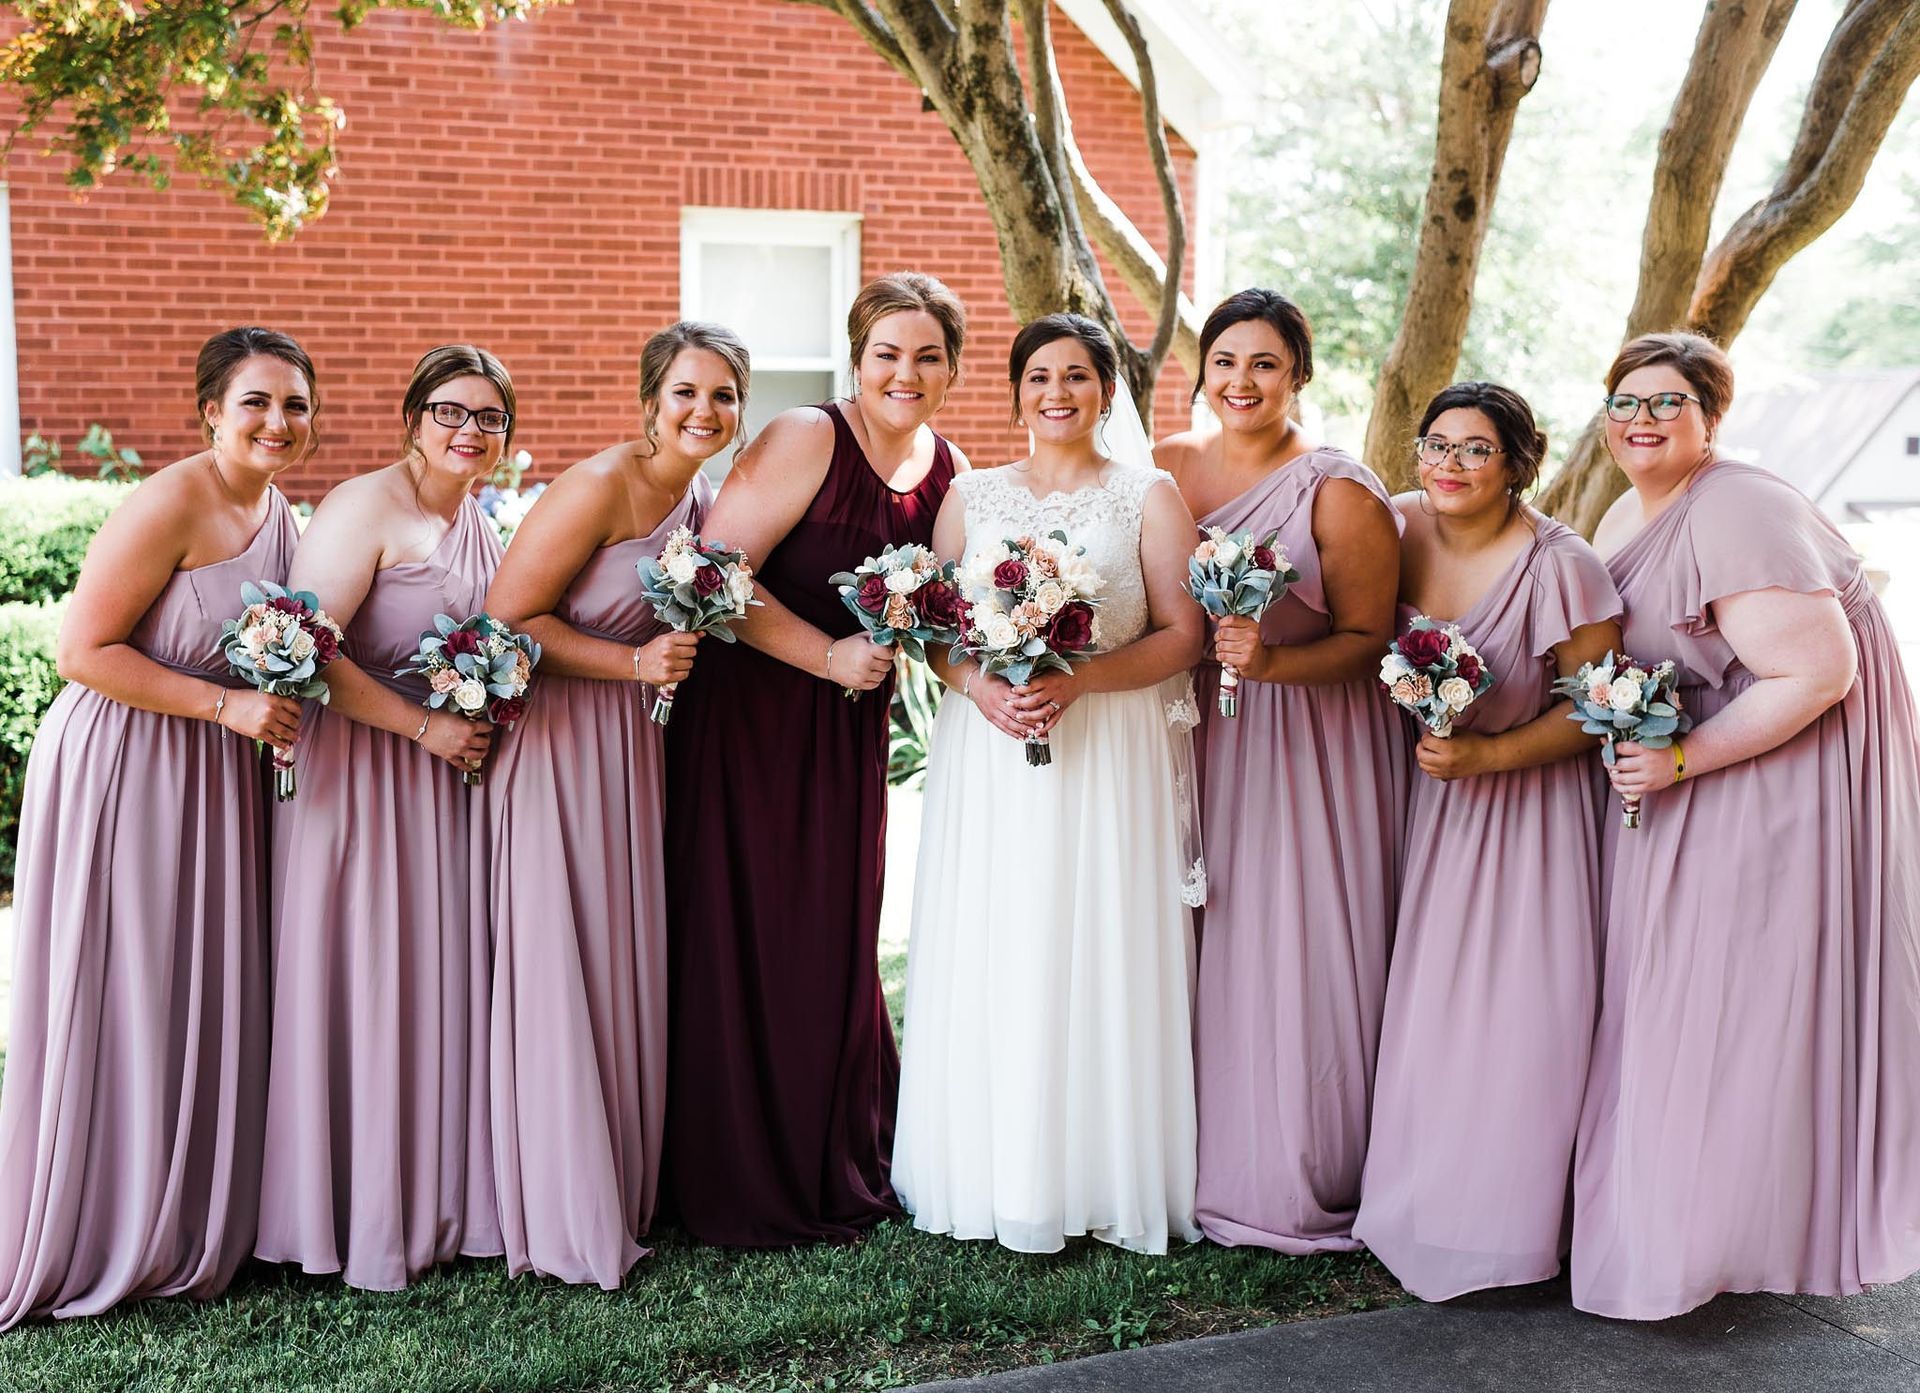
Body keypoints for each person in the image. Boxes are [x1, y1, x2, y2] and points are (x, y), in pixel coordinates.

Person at [1573, 330, 1920, 1320]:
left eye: (1667, 402)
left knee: (1725, 1005)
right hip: (1690, 779)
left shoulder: (1739, 508)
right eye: (1625, 401)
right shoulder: (1628, 507)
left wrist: (1679, 758)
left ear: (1711, 416)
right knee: (1678, 999)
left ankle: (1713, 1237)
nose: (1641, 419)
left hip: (1767, 787)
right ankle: (1678, 1220)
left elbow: (1817, 671)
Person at [0, 327, 313, 1326]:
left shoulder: (278, 510)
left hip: (211, 770)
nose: (278, 421)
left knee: (191, 980)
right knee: (125, 984)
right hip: (127, 762)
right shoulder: (170, 502)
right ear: (211, 410)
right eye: (256, 401)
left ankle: (183, 1212)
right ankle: (99, 1221)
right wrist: (228, 707)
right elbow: (82, 650)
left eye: (296, 404)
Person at [662, 272, 967, 1245]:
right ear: (856, 358)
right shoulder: (807, 437)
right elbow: (710, 576)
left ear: (952, 369)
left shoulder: (949, 469)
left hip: (845, 730)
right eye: (887, 353)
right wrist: (828, 654)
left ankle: (828, 1142)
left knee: (832, 929)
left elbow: (937, 618)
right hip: (748, 718)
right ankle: (736, 1160)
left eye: (927, 356)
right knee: (751, 924)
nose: (905, 373)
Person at [893, 312, 1205, 1254]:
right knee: (1001, 931)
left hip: (1107, 747)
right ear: (1017, 391)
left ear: (1108, 392)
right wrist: (983, 687)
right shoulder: (971, 495)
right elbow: (935, 632)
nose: (1056, 392)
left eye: (1076, 376)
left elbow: (1183, 635)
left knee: (1098, 933)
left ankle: (1099, 1172)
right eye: (1039, 376)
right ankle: (988, 1169)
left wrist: (1080, 680)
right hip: (991, 748)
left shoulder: (1149, 495)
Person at [481, 321, 745, 1285]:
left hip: (632, 753)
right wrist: (633, 663)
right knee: (563, 958)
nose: (704, 411)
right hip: (557, 745)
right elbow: (505, 619)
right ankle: (560, 1202)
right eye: (686, 392)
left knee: (618, 957)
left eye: (723, 395)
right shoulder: (596, 486)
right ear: (649, 401)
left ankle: (623, 1179)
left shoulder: (703, 499)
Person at [1352, 382, 1621, 1300]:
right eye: (1438, 445)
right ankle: (1422, 1200)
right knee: (1430, 1006)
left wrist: (1491, 754)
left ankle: (1508, 1223)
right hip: (1428, 808)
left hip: (1530, 815)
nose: (1451, 464)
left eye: (1477, 449)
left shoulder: (1563, 565)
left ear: (1517, 464)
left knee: (1518, 1015)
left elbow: (1595, 707)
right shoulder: (1396, 527)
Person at [255, 345, 513, 1290]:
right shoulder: (363, 507)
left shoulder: (475, 515)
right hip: (360, 774)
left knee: (432, 978)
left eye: (489, 418)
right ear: (413, 419)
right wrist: (425, 726)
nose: (469, 431)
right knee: (366, 977)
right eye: (451, 411)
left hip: (439, 782)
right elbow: (303, 650)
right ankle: (351, 1212)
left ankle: (434, 1199)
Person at [1157, 288, 1405, 1252]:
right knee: (1191, 934)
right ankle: (1178, 1150)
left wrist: (1271, 663)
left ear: (1298, 374)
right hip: (1191, 737)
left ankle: (1293, 1160)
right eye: (1225, 361)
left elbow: (1369, 639)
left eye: (1265, 363)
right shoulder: (1168, 468)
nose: (1242, 380)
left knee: (1286, 941)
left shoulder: (1336, 490)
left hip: (1305, 745)